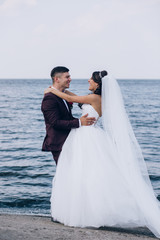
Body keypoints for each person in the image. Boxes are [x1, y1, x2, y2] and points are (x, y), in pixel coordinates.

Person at [44, 70, 160, 238]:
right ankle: (88, 209)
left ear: (97, 84)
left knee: (86, 173)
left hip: (87, 136)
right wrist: (63, 91)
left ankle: (85, 212)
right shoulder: (96, 99)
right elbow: (76, 98)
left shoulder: (94, 98)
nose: (88, 80)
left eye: (91, 79)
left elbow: (71, 99)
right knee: (90, 173)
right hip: (89, 134)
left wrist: (51, 90)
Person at [41, 66, 95, 164]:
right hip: (59, 143)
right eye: (67, 77)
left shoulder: (63, 95)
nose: (70, 79)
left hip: (70, 140)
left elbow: (67, 117)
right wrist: (79, 122)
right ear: (57, 79)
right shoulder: (49, 98)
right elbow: (55, 122)